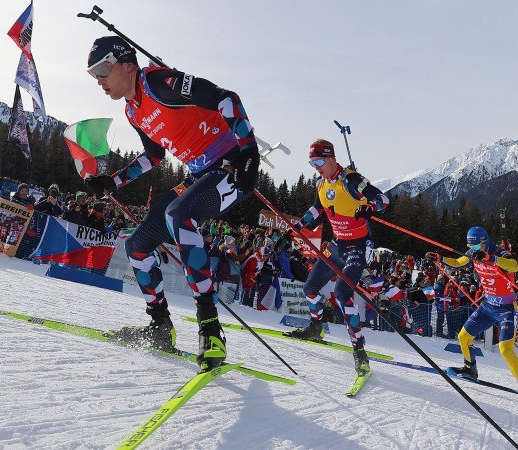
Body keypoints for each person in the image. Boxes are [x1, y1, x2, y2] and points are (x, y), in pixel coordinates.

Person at [83, 36, 260, 371]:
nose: (99, 80)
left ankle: (210, 329)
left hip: (231, 167)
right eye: (93, 74)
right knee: (137, 245)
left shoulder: (159, 83)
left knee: (179, 215)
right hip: (198, 175)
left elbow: (226, 99)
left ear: (127, 65)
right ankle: (160, 326)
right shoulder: (133, 110)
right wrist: (113, 181)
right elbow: (154, 156)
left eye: (102, 70)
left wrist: (249, 150)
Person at [286, 139, 389, 375]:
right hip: (336, 245)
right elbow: (317, 208)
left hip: (358, 245)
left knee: (343, 293)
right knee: (310, 289)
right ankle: (316, 327)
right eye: (312, 162)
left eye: (320, 161)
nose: (316, 166)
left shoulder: (351, 179)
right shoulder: (321, 183)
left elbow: (383, 199)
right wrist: (298, 226)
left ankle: (359, 350)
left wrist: (370, 207)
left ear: (332, 158)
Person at [426, 226, 518, 408]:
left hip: (507, 308)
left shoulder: (499, 252)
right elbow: (458, 262)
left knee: (505, 349)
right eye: (471, 247)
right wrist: (440, 259)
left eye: (477, 246)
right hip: (488, 305)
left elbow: (514, 265)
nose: (474, 250)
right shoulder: (473, 252)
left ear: (485, 242)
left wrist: (490, 258)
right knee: (463, 337)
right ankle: (470, 368)